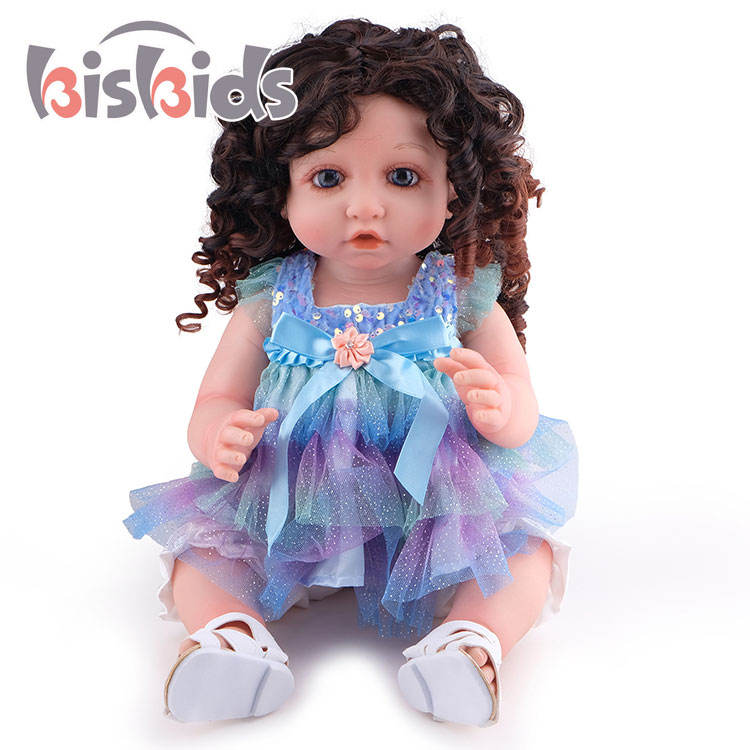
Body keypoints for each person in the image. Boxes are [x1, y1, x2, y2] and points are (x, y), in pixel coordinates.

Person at [123, 18, 578, 728]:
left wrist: (502, 408)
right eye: (328, 178)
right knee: (202, 555)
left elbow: (520, 396)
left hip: (434, 508)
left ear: (454, 191)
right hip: (286, 500)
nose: (365, 206)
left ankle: (471, 642)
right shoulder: (273, 298)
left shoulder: (459, 293)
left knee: (525, 552)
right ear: (280, 193)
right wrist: (219, 433)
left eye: (404, 176)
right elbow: (216, 395)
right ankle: (231, 638)